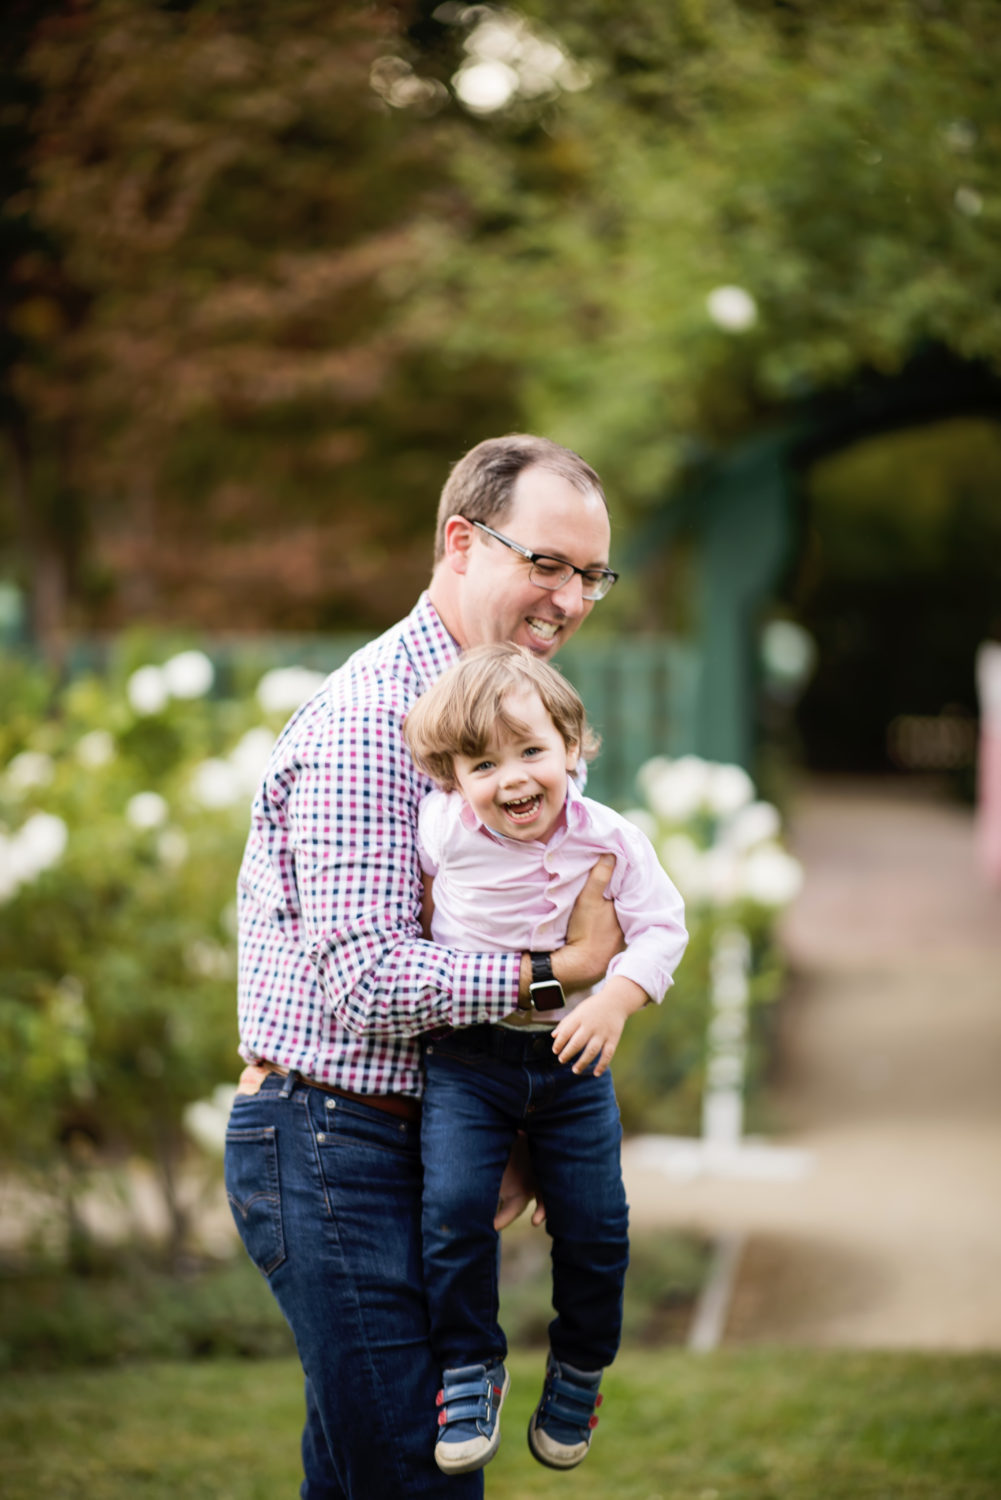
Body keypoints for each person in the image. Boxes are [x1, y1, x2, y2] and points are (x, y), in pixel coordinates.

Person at [224, 435, 628, 1499]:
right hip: (331, 1141)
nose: (569, 599)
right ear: (461, 541)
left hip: (420, 1127)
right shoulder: (374, 724)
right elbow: (365, 983)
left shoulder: (505, 724)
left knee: (366, 1479)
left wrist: (522, 1117)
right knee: (417, 1479)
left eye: (589, 574)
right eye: (545, 564)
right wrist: (558, 972)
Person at [403, 644, 688, 1475]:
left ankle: (578, 1366)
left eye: (531, 751)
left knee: (594, 1225)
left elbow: (663, 925)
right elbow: (414, 915)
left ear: (571, 747)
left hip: (571, 1061)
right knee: (454, 1208)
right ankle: (468, 1367)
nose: (512, 779)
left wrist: (614, 998)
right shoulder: (442, 832)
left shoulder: (610, 840)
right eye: (482, 763)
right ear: (452, 779)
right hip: (469, 1057)